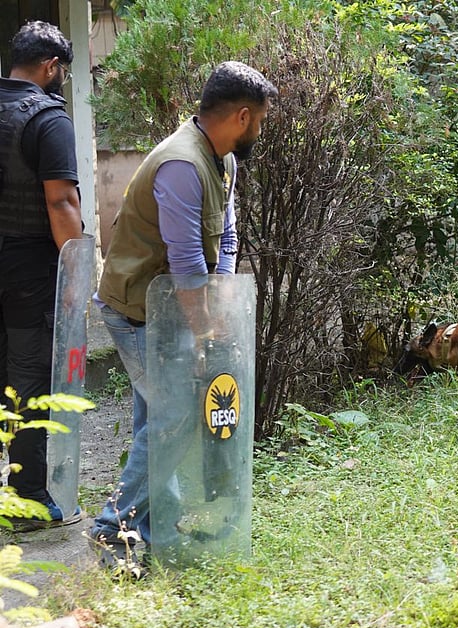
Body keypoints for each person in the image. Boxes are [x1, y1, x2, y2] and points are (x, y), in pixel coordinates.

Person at [88, 61, 276, 575]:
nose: (260, 129)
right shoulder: (181, 165)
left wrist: (219, 305)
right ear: (241, 116)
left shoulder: (223, 160)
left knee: (159, 420)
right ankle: (111, 530)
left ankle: (149, 534)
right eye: (259, 120)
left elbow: (227, 240)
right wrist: (207, 333)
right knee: (172, 422)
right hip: (134, 311)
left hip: (169, 310)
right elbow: (188, 264)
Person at [1, 20, 86, 530]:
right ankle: (28, 498)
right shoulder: (48, 119)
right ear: (51, 67)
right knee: (29, 377)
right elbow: (61, 200)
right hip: (28, 270)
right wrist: (77, 270)